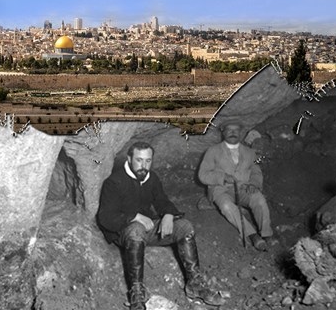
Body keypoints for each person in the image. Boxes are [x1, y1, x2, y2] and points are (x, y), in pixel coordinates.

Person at [97, 142, 226, 310]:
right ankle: (136, 293)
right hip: (124, 231)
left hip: (147, 229)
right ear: (129, 159)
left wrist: (168, 214)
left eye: (148, 161)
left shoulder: (152, 178)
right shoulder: (114, 182)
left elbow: (162, 201)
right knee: (136, 228)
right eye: (139, 160)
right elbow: (106, 218)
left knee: (184, 226)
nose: (143, 166)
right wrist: (135, 217)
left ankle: (194, 284)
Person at [198, 121, 277, 251]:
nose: (233, 133)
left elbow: (256, 172)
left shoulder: (250, 152)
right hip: (220, 190)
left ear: (241, 133)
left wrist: (254, 184)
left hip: (244, 188)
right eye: (229, 130)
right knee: (226, 206)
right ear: (223, 132)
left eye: (236, 130)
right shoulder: (212, 151)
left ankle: (267, 234)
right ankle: (252, 235)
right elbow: (203, 175)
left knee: (259, 200)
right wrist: (222, 177)